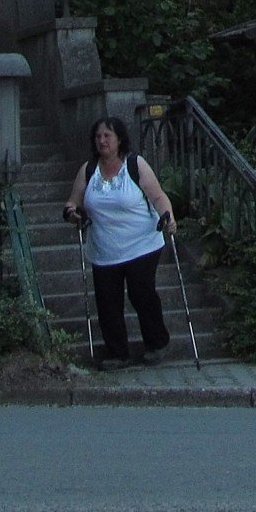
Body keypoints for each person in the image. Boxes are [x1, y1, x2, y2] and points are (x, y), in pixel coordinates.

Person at [63, 115, 177, 368]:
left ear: (119, 139)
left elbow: (158, 196)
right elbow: (74, 201)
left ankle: (157, 342)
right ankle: (117, 353)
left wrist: (168, 216)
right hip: (105, 249)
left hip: (142, 243)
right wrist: (72, 213)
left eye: (107, 136)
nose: (102, 141)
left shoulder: (135, 165)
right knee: (107, 301)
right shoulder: (89, 170)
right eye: (98, 136)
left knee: (141, 292)